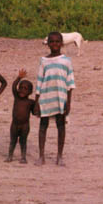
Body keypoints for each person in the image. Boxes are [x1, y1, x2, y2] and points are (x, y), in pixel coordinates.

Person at [34, 32, 75, 166]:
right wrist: (36, 101)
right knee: (43, 126)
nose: (55, 44)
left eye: (57, 41)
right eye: (52, 41)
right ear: (48, 44)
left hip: (61, 98)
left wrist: (68, 102)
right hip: (45, 98)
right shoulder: (43, 61)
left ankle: (59, 156)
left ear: (62, 44)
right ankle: (41, 156)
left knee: (61, 126)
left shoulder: (66, 61)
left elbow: (70, 83)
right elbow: (39, 81)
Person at [5, 69, 34, 164]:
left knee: (23, 141)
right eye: (20, 88)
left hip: (25, 125)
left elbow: (35, 112)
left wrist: (37, 100)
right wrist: (19, 78)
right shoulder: (17, 98)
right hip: (14, 124)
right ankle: (10, 156)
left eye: (25, 89)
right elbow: (13, 86)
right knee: (12, 141)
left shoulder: (31, 102)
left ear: (30, 92)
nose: (22, 90)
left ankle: (23, 157)